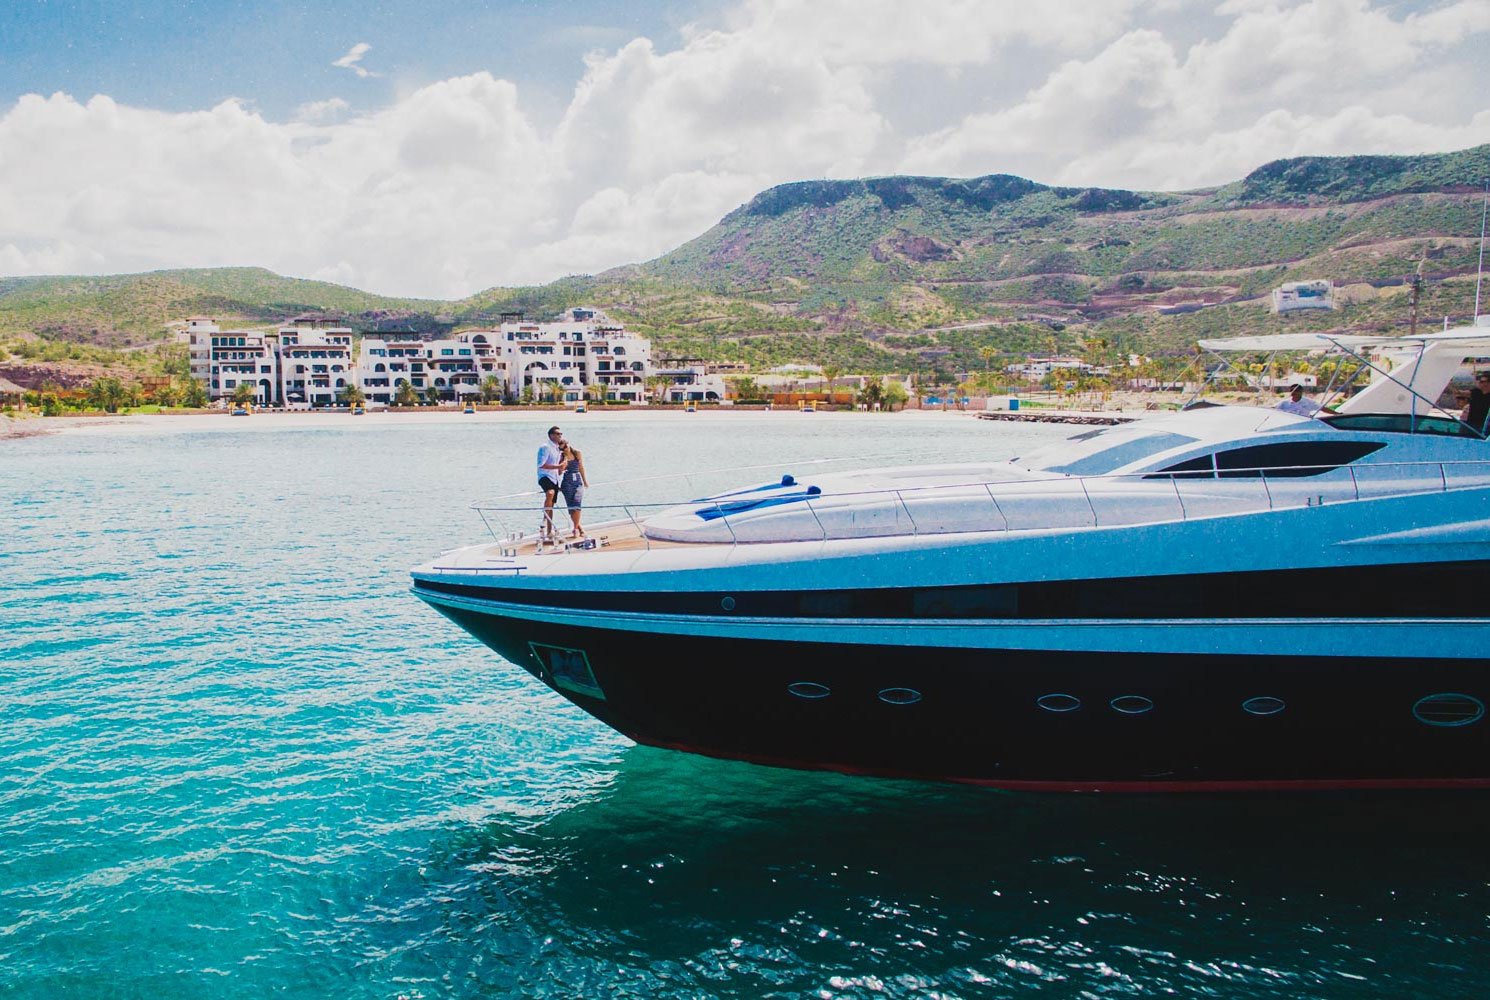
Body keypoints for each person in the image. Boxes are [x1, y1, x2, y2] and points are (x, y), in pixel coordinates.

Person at [536, 425, 565, 538]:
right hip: (544, 476)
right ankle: (544, 520)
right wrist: (558, 467)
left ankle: (549, 531)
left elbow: (559, 466)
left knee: (551, 504)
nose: (560, 436)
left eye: (561, 434)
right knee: (550, 493)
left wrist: (560, 470)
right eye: (558, 434)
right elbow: (541, 464)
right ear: (551, 435)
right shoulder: (545, 447)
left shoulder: (558, 448)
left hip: (554, 477)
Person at [559, 440, 589, 539]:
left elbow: (581, 467)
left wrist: (585, 481)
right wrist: (565, 459)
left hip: (577, 481)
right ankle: (579, 528)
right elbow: (559, 472)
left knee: (577, 503)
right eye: (562, 449)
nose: (565, 449)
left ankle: (575, 529)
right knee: (571, 507)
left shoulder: (577, 453)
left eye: (566, 446)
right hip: (567, 481)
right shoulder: (562, 457)